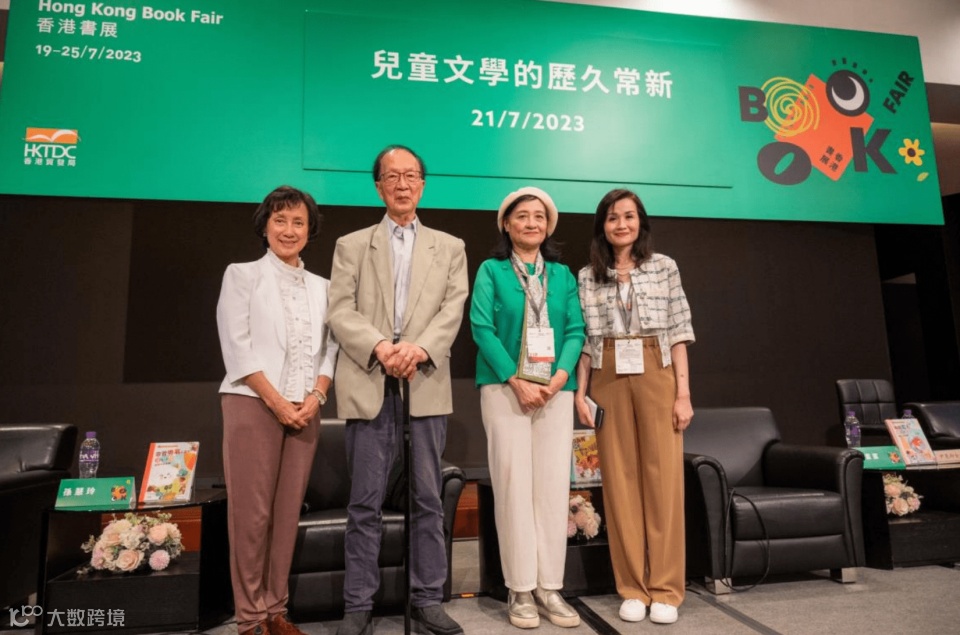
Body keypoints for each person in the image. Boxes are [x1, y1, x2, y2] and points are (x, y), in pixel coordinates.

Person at [326, 145, 468, 635]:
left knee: (427, 498)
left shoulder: (450, 246)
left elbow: (453, 308)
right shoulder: (351, 244)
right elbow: (340, 309)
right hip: (369, 378)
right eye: (392, 176)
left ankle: (427, 599)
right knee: (364, 502)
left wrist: (419, 349)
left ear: (422, 185)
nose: (402, 184)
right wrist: (381, 347)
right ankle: (357, 606)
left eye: (411, 176)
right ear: (378, 186)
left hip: (424, 381)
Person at [216, 185, 339, 635]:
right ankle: (250, 618)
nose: (289, 230)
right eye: (280, 220)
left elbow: (331, 349)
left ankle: (275, 610)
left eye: (298, 222)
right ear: (265, 226)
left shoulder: (324, 287)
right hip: (253, 404)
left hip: (306, 409)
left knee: (286, 515)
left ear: (310, 230)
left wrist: (316, 397)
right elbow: (237, 345)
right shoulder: (242, 275)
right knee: (252, 516)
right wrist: (277, 402)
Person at [574, 188, 695, 626]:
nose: (621, 224)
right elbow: (585, 340)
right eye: (612, 218)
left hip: (656, 368)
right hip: (607, 372)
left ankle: (665, 589)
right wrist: (580, 392)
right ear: (602, 226)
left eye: (628, 216)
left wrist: (683, 393)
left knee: (663, 481)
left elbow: (679, 332)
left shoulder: (664, 267)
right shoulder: (588, 275)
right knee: (619, 482)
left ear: (640, 222)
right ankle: (631, 588)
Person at [470, 187, 585, 630]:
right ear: (507, 223)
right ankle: (520, 588)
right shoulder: (491, 270)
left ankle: (550, 588)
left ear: (548, 225)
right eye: (522, 216)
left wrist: (558, 380)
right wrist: (515, 381)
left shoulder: (563, 275)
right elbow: (481, 327)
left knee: (553, 488)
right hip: (505, 390)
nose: (531, 223)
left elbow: (575, 330)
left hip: (555, 392)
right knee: (513, 486)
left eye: (539, 216)